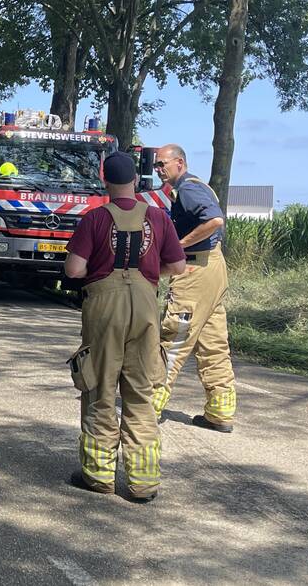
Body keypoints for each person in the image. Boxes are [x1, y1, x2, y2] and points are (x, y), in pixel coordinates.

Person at [64, 152, 185, 502]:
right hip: (145, 308)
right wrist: (149, 273)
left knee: (100, 389)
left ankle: (99, 475)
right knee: (140, 393)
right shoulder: (159, 217)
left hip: (104, 309)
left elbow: (74, 269)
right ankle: (143, 482)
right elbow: (177, 266)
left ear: (105, 180)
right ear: (136, 180)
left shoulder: (95, 218)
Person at [152, 144, 237, 433]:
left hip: (195, 269)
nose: (158, 170)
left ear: (179, 163)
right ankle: (220, 411)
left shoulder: (188, 189)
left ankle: (149, 403)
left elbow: (214, 220)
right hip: (214, 267)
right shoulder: (199, 186)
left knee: (175, 336)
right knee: (214, 343)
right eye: (156, 165)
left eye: (162, 164)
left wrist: (178, 245)